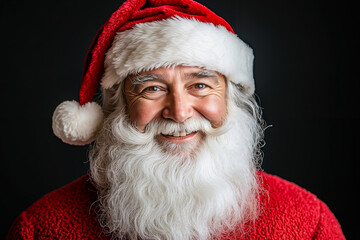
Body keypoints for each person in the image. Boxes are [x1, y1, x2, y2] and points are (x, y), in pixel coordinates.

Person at [7, 0, 345, 239]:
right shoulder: (42, 229)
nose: (180, 112)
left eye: (200, 85)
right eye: (152, 88)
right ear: (118, 105)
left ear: (230, 98)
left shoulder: (306, 222)